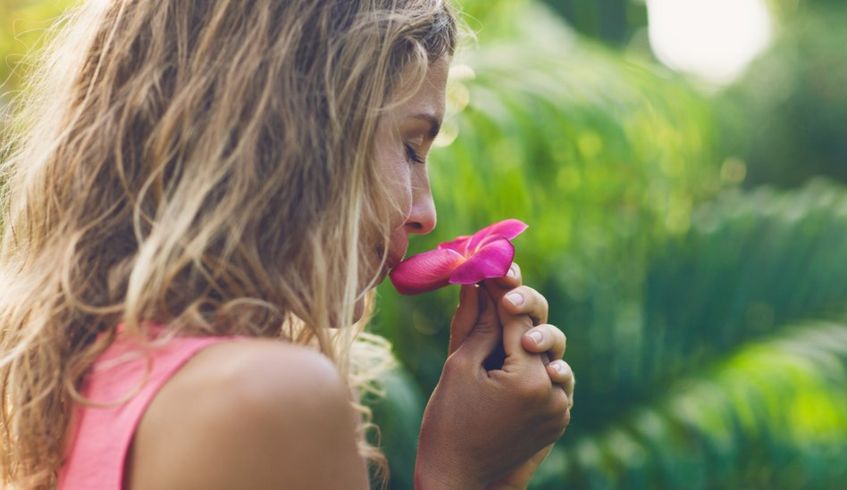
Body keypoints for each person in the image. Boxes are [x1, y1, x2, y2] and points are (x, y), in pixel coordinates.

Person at [0, 1, 574, 488]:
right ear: (294, 131)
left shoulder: (71, 381)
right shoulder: (262, 399)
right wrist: (463, 473)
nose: (426, 213)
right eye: (411, 147)